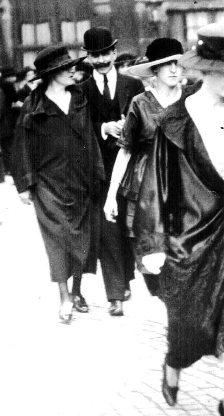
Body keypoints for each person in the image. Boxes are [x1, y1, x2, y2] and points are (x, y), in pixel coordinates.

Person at [133, 23, 224, 415]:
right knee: (188, 332)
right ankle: (173, 365)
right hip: (190, 243)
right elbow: (154, 187)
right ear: (206, 71)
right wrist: (153, 245)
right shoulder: (173, 122)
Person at [13, 45, 104, 323]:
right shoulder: (33, 105)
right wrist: (25, 185)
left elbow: (90, 138)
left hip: (81, 180)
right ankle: (64, 297)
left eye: (72, 66)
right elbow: (22, 146)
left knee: (81, 238)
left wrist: (97, 172)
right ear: (52, 73)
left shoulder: (79, 99)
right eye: (66, 68)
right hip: (48, 184)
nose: (72, 71)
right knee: (57, 240)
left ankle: (76, 291)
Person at [103, 37, 184, 296]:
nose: (174, 69)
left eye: (178, 63)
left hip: (184, 184)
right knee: (150, 257)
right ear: (155, 70)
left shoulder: (191, 99)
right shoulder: (140, 103)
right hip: (144, 188)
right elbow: (125, 149)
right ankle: (164, 297)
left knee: (184, 253)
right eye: (167, 64)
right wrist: (111, 196)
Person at [80, 26, 145, 315]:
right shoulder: (81, 91)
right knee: (107, 230)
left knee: (128, 227)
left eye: (106, 53)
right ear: (87, 58)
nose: (101, 60)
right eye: (95, 55)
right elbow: (79, 128)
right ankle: (115, 294)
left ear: (115, 52)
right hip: (98, 171)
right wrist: (104, 128)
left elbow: (145, 121)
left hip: (131, 169)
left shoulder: (133, 85)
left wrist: (129, 128)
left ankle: (126, 276)